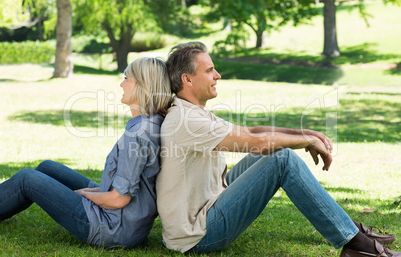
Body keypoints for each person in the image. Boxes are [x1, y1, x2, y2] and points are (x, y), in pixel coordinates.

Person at [156, 42, 399, 256]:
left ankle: (349, 228)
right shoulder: (187, 121)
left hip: (209, 201)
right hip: (198, 234)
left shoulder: (192, 112)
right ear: (187, 79)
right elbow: (260, 144)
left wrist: (306, 134)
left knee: (275, 153)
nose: (217, 75)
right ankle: (357, 244)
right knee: (281, 159)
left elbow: (252, 132)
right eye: (209, 70)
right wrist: (307, 142)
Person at [0, 57, 172, 249]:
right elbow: (132, 187)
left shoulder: (138, 133)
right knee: (47, 167)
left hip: (112, 229)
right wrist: (90, 192)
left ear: (142, 85)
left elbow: (118, 199)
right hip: (130, 223)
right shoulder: (152, 122)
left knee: (27, 179)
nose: (121, 84)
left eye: (126, 78)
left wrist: (85, 195)